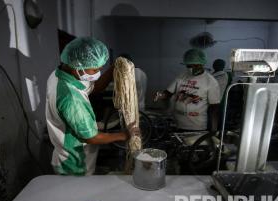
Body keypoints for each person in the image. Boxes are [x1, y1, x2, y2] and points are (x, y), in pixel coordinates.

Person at [46, 37, 139, 175]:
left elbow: (94, 87)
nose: (98, 72)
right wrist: (124, 135)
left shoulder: (60, 74)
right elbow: (91, 137)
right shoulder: (71, 99)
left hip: (67, 154)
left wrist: (114, 68)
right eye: (95, 69)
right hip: (75, 165)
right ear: (78, 66)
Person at [154, 49, 220, 132]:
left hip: (196, 126)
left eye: (195, 66)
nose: (191, 68)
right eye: (189, 66)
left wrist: (213, 129)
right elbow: (168, 92)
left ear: (202, 64)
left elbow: (214, 108)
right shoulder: (182, 76)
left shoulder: (210, 81)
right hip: (177, 123)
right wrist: (160, 95)